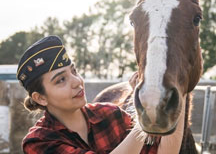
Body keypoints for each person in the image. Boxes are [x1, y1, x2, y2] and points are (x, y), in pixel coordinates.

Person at [17, 35, 185, 154]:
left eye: (74, 71)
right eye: (61, 80)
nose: (77, 81)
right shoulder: (38, 142)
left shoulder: (110, 114)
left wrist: (181, 86)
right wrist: (143, 117)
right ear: (40, 98)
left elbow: (164, 151)